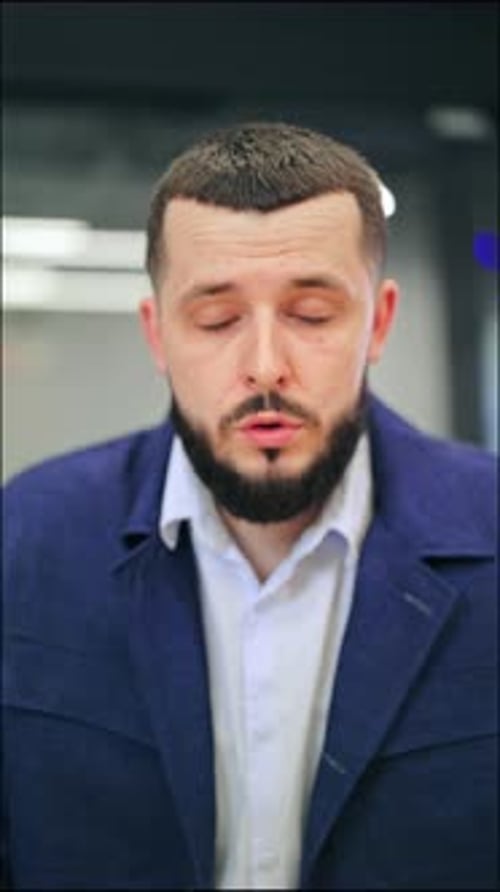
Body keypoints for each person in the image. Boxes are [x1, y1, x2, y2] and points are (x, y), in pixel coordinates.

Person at [2, 121, 497, 891]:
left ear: (380, 323)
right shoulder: (25, 539)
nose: (265, 366)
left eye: (311, 314)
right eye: (216, 320)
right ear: (158, 333)